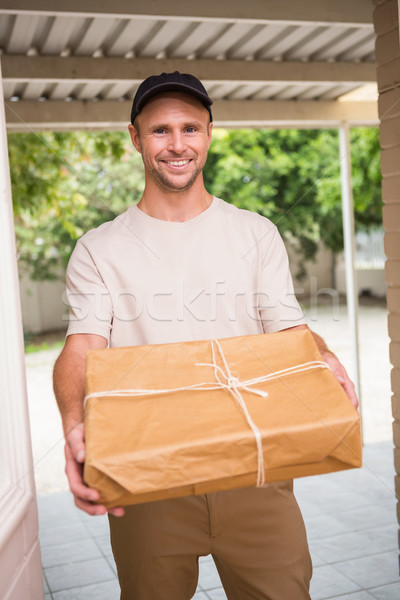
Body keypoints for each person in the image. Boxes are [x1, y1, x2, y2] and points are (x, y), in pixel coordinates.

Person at [53, 71, 358, 600]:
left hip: (256, 472)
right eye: (160, 130)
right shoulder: (99, 248)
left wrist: (324, 358)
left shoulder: (255, 233)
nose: (177, 144)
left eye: (190, 128)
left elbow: (289, 327)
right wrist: (75, 425)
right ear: (135, 138)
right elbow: (82, 344)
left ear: (210, 134)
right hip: (147, 478)